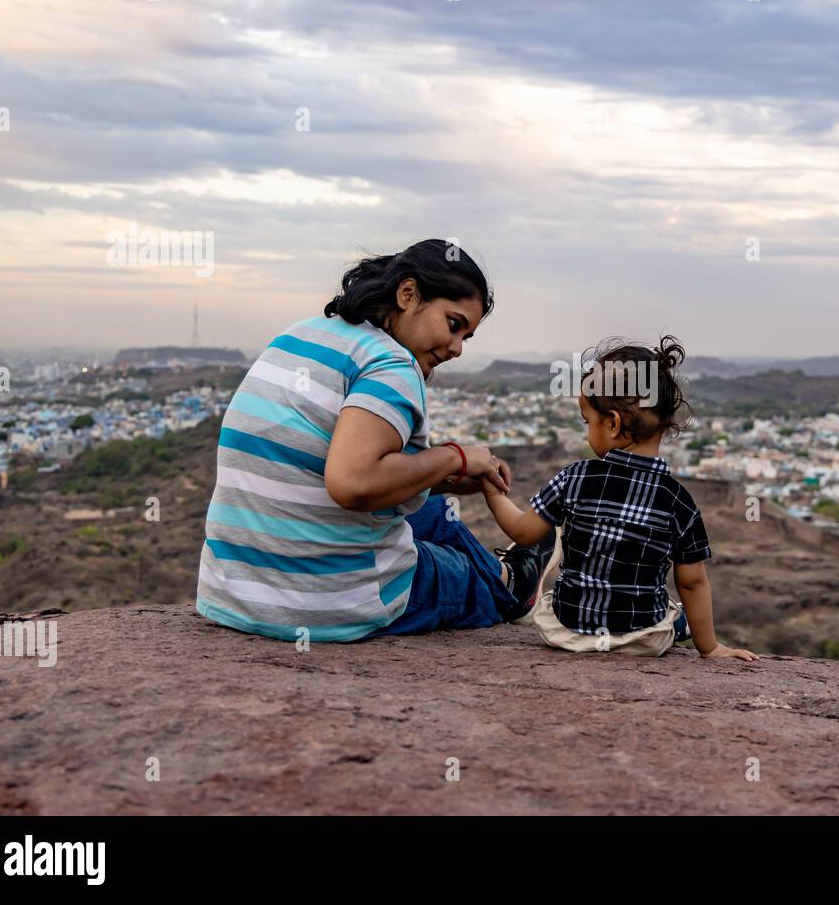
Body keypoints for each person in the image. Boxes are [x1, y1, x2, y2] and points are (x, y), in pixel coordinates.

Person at [195, 239, 556, 643]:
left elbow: (321, 465)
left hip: (233, 591)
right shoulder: (392, 365)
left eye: (466, 338)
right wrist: (454, 458)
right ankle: (510, 586)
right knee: (456, 572)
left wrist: (448, 477)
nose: (455, 348)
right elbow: (353, 483)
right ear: (408, 294)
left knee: (436, 511)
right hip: (323, 601)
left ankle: (509, 576)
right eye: (453, 324)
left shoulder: (300, 336)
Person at [480, 336, 759, 661]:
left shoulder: (576, 477)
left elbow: (521, 532)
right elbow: (693, 582)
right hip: (642, 639)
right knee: (673, 611)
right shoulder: (678, 501)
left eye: (589, 422)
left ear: (612, 423)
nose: (587, 430)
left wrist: (490, 488)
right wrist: (710, 647)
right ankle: (676, 622)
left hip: (567, 632)